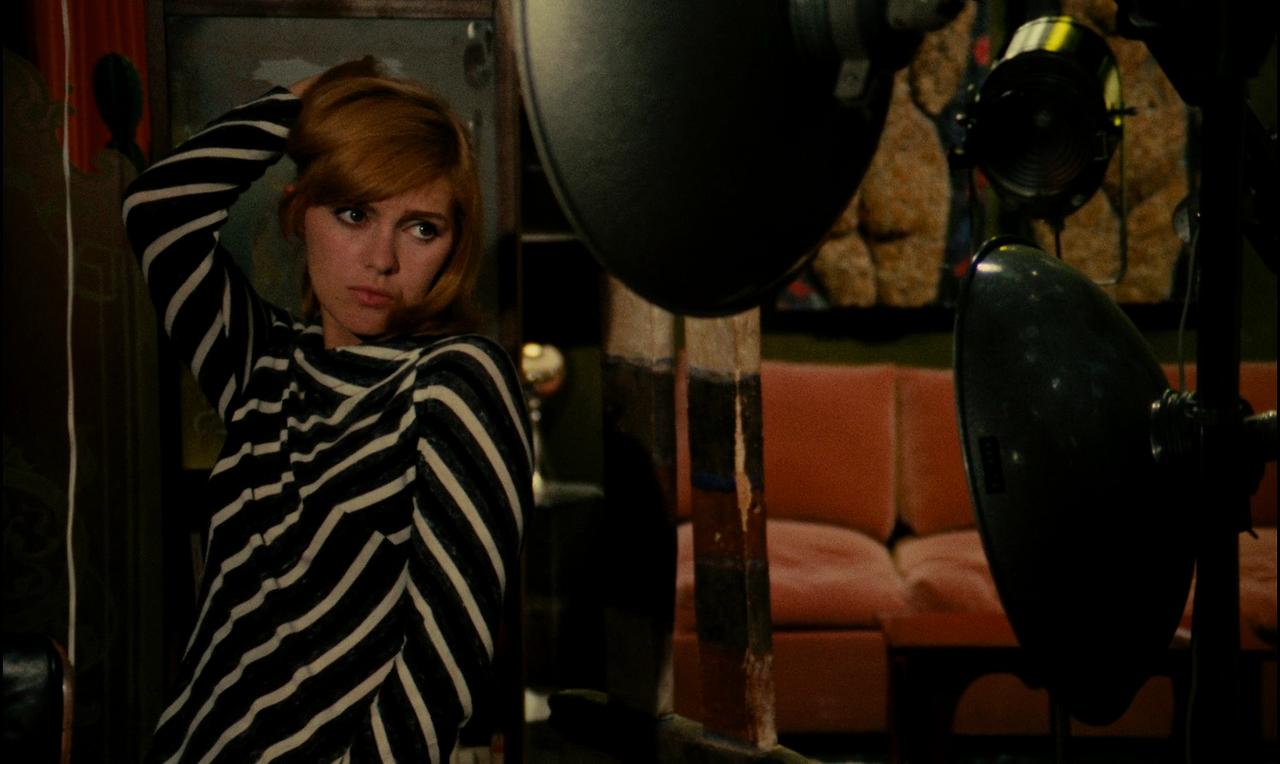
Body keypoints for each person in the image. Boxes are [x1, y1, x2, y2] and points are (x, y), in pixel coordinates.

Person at [122, 57, 532, 763]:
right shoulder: (263, 365)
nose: (381, 259)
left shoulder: (455, 381)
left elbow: (443, 668)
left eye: (421, 228)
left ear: (453, 246)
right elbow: (157, 211)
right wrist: (307, 101)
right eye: (354, 213)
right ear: (298, 211)